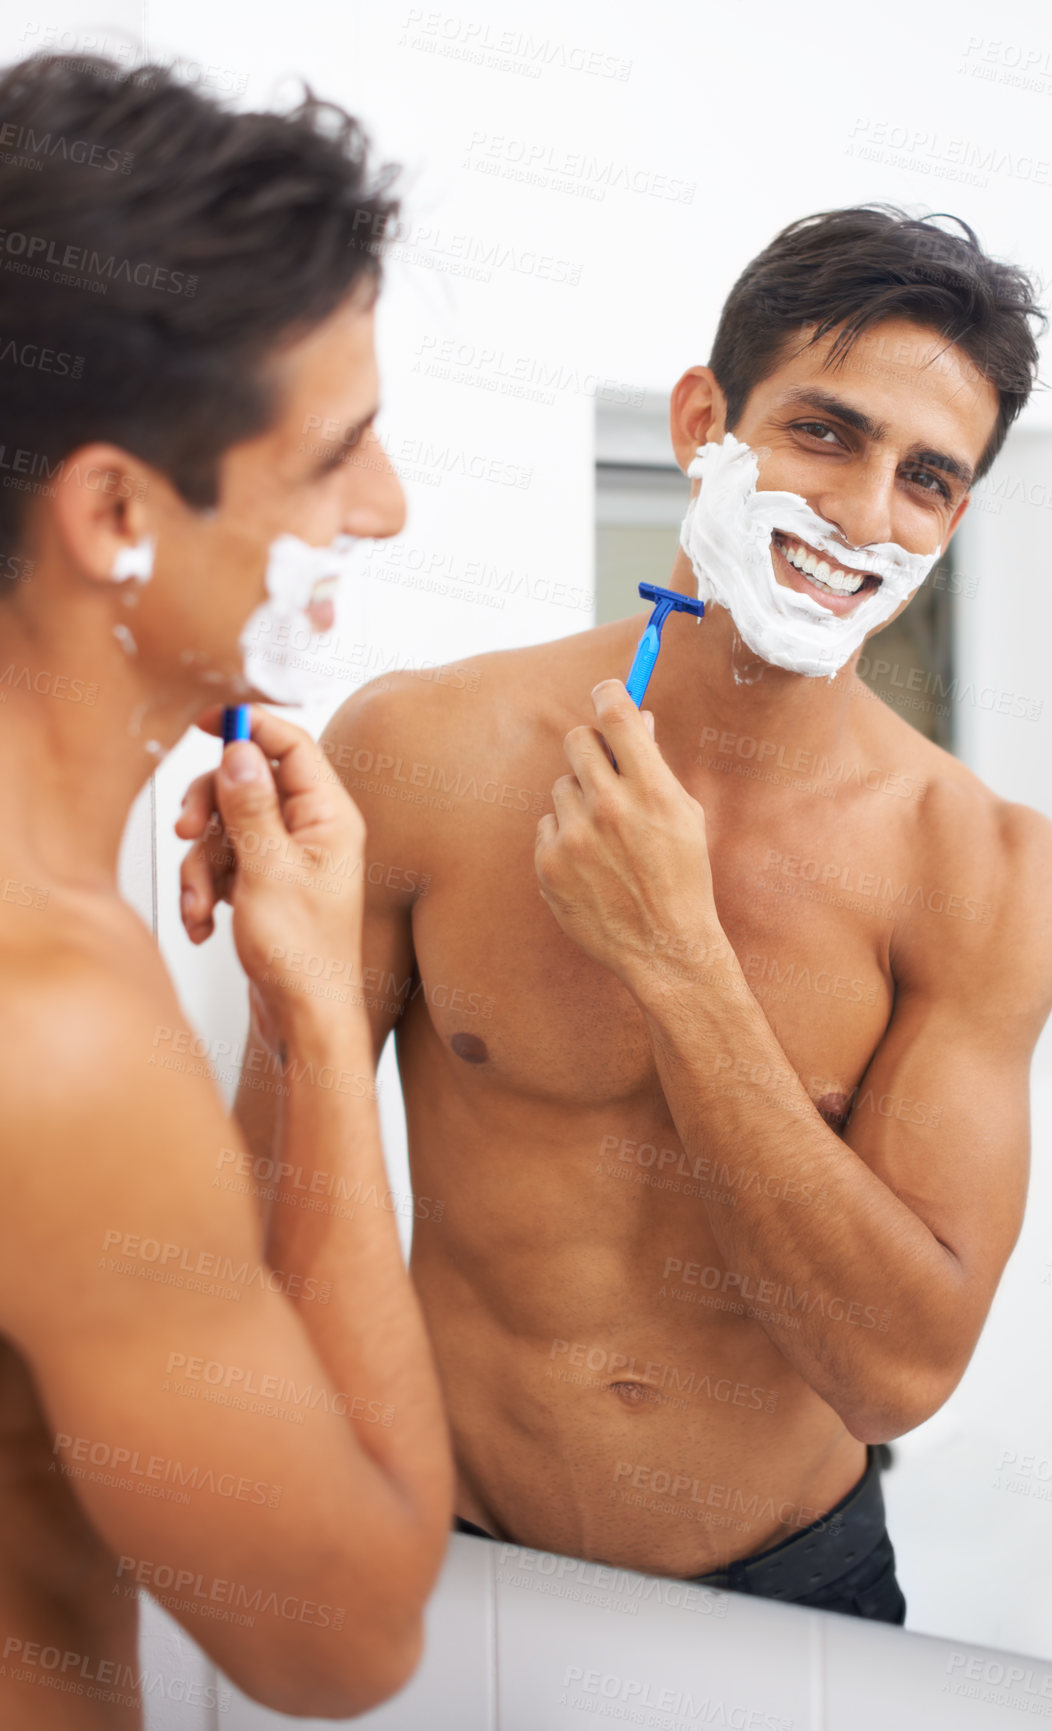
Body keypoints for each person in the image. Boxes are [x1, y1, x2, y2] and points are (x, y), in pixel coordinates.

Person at [203, 207, 1052, 1626]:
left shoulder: (983, 870)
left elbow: (893, 1375)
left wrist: (680, 960)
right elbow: (263, 1204)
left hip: (798, 1587)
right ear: (701, 421)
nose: (864, 515)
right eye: (825, 433)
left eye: (926, 478)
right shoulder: (424, 747)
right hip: (439, 1545)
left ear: (957, 517)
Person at [0, 52, 452, 1725]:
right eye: (337, 455)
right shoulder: (51, 1028)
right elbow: (345, 1640)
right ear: (115, 510)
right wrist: (326, 1024)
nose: (386, 510)